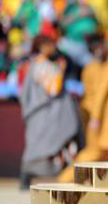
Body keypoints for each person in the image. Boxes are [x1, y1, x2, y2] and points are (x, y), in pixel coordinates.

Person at [57, 35, 108, 182]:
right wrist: (96, 118)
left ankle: (67, 177)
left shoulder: (100, 68)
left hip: (105, 117)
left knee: (99, 153)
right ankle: (66, 177)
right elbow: (100, 95)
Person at [19, 35, 82, 189]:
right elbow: (53, 89)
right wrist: (60, 70)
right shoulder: (42, 65)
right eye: (50, 45)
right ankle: (26, 176)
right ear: (42, 47)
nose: (53, 49)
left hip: (47, 115)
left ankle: (29, 177)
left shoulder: (37, 64)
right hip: (45, 116)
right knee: (39, 147)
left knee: (43, 146)